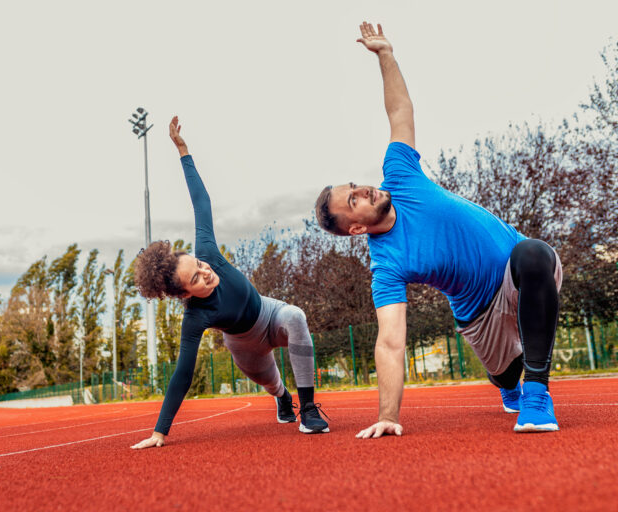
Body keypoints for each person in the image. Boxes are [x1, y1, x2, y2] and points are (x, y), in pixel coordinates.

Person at [314, 22, 562, 437]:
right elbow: (391, 341)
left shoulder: (399, 173)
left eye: (355, 186)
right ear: (356, 228)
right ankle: (509, 383)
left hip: (520, 272)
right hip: (479, 316)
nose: (363, 190)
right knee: (505, 378)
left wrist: (385, 55)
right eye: (353, 199)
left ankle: (537, 395)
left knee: (533, 252)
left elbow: (400, 112)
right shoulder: (387, 265)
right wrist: (388, 415)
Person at [130, 117, 329, 449]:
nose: (205, 272)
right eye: (196, 278)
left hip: (269, 312)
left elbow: (201, 203)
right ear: (184, 293)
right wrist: (159, 432)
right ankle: (283, 398)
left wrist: (184, 151)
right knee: (271, 384)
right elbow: (183, 374)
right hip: (243, 344)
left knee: (295, 316)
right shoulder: (195, 317)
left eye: (199, 266)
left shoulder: (208, 251)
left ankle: (308, 410)